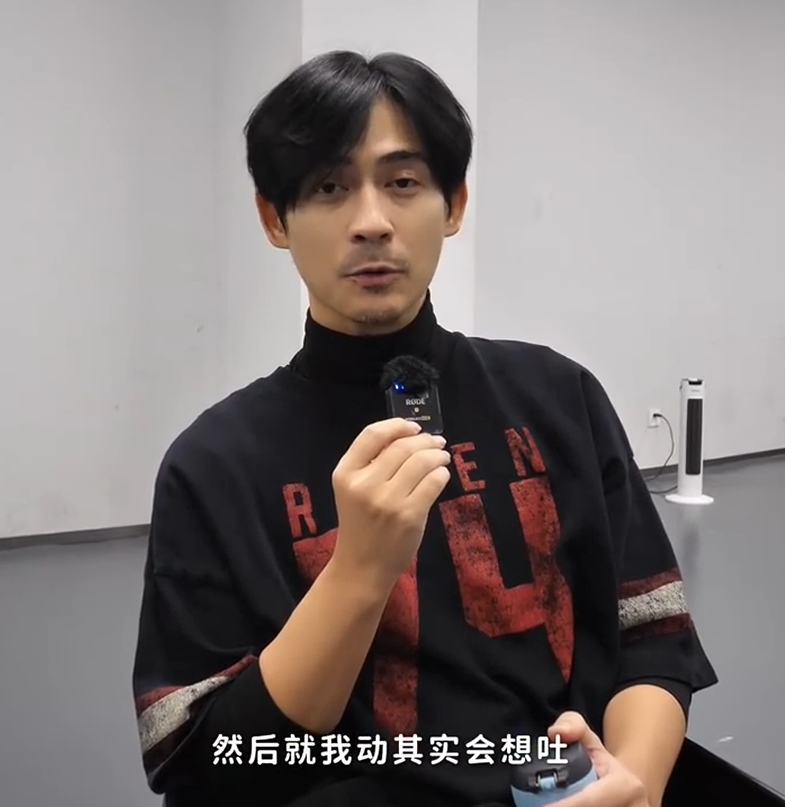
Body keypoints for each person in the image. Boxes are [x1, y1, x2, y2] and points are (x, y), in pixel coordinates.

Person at [131, 50, 717, 807]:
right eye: (329, 187)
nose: (371, 222)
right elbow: (207, 759)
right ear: (274, 218)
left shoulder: (558, 397)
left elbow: (650, 636)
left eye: (403, 182)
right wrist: (359, 570)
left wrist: (635, 784)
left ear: (453, 204)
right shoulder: (213, 466)